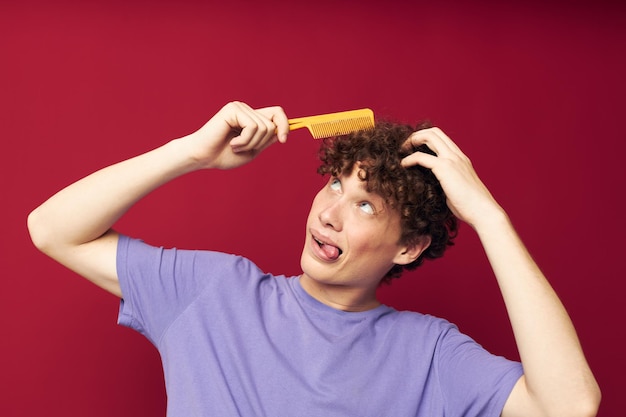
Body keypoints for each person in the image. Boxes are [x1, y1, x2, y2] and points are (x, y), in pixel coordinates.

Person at [28, 101, 600, 416]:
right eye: (332, 186)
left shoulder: (431, 354)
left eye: (367, 206)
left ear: (409, 247)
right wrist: (190, 155)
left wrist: (491, 219)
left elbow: (571, 407)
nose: (330, 213)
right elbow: (52, 229)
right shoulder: (212, 292)